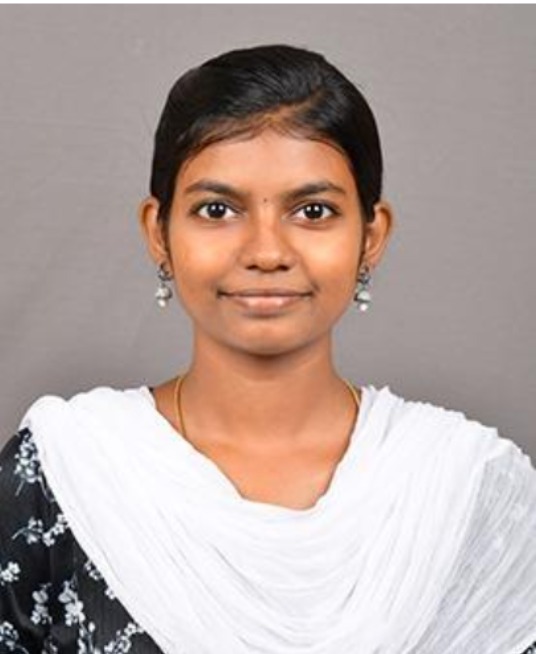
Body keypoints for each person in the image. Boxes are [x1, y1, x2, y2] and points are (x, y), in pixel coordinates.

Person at [0, 43, 534, 654]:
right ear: (159, 232)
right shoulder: (64, 473)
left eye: (313, 211)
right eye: (217, 209)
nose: (266, 251)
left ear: (371, 236)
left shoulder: (470, 488)